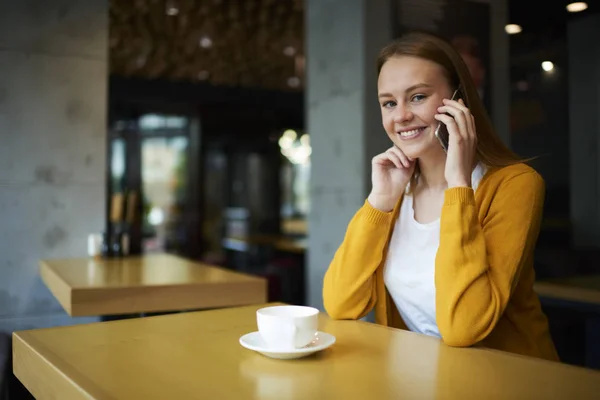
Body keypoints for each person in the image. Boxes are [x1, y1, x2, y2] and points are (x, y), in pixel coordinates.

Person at [322, 32, 559, 361]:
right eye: (389, 103)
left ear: (459, 99)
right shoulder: (396, 192)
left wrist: (458, 184)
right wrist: (378, 202)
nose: (401, 115)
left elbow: (464, 327)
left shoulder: (515, 185)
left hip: (509, 382)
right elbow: (341, 303)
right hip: (425, 381)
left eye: (417, 97)